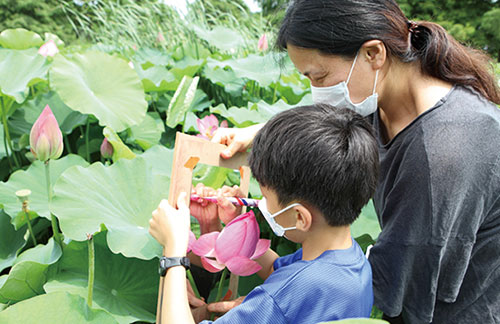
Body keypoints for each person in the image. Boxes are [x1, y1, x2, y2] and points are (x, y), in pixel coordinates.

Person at [209, 1, 500, 324]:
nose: (316, 91)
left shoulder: (446, 150)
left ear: (374, 54)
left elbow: (392, 280)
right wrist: (260, 132)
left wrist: (274, 310)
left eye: (318, 76)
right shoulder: (378, 96)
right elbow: (338, 120)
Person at [149, 104, 379, 323]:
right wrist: (238, 227)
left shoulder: (280, 298)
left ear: (300, 217)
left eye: (265, 199)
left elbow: (285, 294)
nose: (257, 204)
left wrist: (174, 251)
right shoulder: (352, 263)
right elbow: (277, 271)